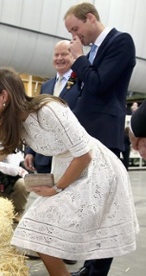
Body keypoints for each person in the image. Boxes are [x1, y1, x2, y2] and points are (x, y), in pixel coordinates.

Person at [0, 68, 139, 276]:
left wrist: (57, 188)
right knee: (36, 231)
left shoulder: (48, 110)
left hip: (96, 171)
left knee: (41, 230)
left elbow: (85, 155)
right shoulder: (15, 122)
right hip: (70, 170)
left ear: (4, 96)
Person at [64, 3, 136, 275]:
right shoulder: (93, 51)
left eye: (76, 28)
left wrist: (79, 59)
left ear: (91, 18)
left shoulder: (121, 42)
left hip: (104, 135)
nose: (75, 35)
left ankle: (96, 270)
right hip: (87, 137)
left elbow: (99, 84)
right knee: (89, 207)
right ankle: (90, 267)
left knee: (104, 208)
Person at [24, 40, 79, 173]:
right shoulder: (46, 86)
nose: (59, 58)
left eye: (64, 54)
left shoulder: (81, 83)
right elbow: (37, 118)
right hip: (44, 157)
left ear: (73, 56)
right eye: (56, 55)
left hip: (69, 155)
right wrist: (30, 151)